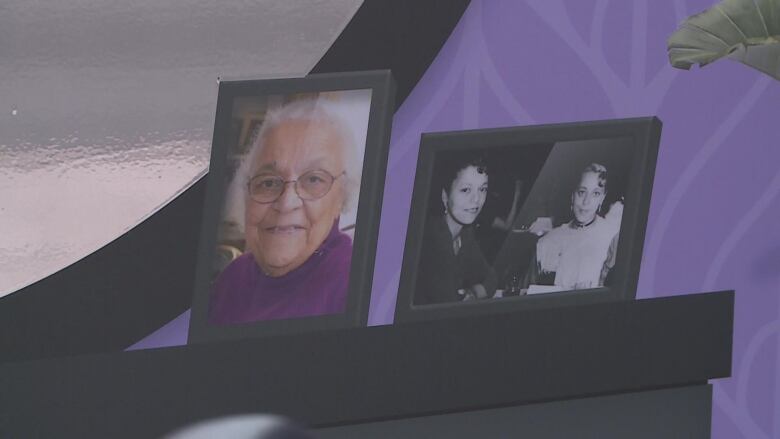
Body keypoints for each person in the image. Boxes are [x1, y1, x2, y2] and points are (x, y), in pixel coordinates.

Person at [209, 98, 360, 324]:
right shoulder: (233, 277)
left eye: (313, 179)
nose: (287, 203)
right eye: (268, 183)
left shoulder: (354, 283)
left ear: (341, 197)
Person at [413, 156, 497, 305]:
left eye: (482, 189)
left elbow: (491, 278)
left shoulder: (465, 234)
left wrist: (474, 292)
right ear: (445, 196)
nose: (476, 199)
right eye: (466, 190)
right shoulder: (431, 239)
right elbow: (448, 305)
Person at [532, 163, 621, 290]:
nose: (586, 202)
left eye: (595, 193)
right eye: (582, 192)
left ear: (602, 198)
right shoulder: (548, 241)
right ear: (572, 195)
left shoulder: (612, 237)